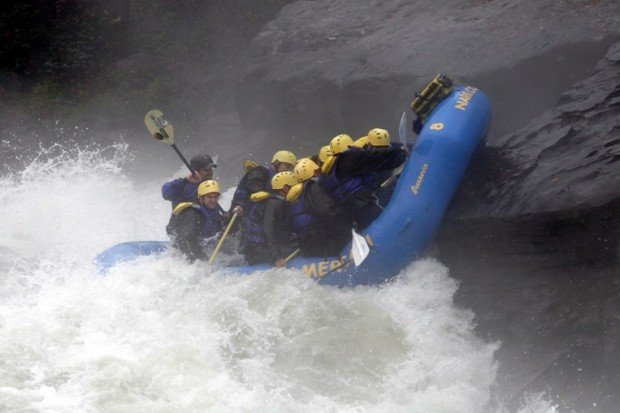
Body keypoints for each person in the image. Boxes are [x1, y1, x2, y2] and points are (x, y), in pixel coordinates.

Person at [320, 132, 407, 229]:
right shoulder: (349, 157)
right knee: (387, 222)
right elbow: (375, 158)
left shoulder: (329, 173)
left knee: (369, 226)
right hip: (363, 202)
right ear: (348, 146)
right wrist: (400, 153)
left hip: (349, 212)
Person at [288, 158, 350, 257]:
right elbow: (327, 210)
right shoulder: (313, 187)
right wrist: (347, 229)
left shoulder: (297, 195)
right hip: (319, 235)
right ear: (314, 172)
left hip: (306, 239)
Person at [240, 171, 298, 267]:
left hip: (260, 247)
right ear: (285, 188)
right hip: (256, 251)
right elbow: (268, 229)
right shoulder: (274, 204)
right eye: (293, 186)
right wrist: (276, 257)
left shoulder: (276, 201)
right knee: (299, 246)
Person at [166, 179, 225, 262]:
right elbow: (185, 241)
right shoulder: (192, 214)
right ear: (201, 198)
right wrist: (200, 260)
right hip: (183, 251)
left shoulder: (213, 210)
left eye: (215, 197)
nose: (213, 200)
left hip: (200, 245)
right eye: (209, 197)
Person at [229, 150, 297, 216]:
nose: (289, 170)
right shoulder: (260, 171)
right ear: (277, 163)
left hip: (263, 215)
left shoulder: (283, 181)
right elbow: (253, 189)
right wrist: (275, 196)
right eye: (287, 166)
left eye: (291, 168)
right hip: (243, 212)